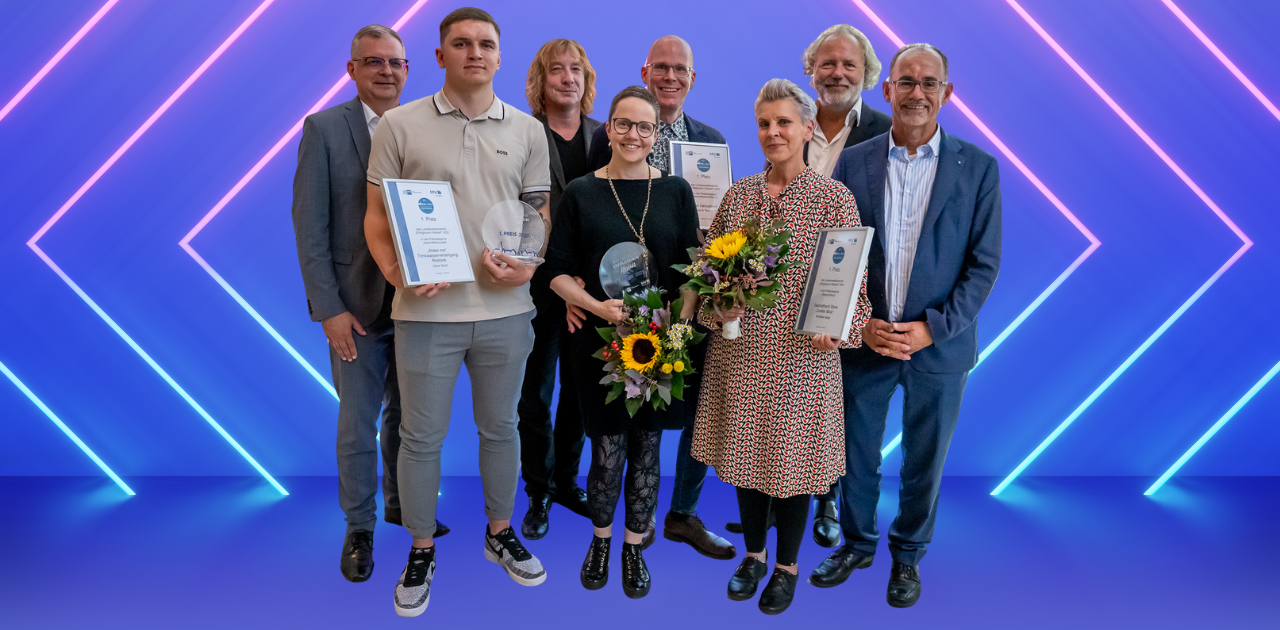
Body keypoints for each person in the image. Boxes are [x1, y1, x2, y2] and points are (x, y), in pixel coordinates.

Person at [363, 8, 552, 617]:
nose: (475, 52)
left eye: (486, 45)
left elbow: (537, 216)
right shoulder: (398, 124)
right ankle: (421, 549)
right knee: (420, 438)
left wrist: (529, 265)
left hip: (505, 311)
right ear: (440, 55)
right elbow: (375, 218)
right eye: (461, 44)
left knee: (501, 429)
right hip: (425, 315)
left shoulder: (526, 130)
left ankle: (500, 533)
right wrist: (397, 275)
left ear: (500, 58)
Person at [813, 43, 1001, 608]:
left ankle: (908, 556)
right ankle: (857, 544)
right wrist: (860, 322)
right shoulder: (855, 161)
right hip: (867, 343)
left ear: (947, 92)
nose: (917, 93)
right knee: (855, 452)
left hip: (937, 349)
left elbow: (983, 264)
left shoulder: (979, 167)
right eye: (906, 82)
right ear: (887, 90)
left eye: (929, 82)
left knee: (925, 458)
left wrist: (932, 329)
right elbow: (836, 253)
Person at [692, 78, 872, 615]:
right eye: (765, 124)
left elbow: (854, 285)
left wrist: (840, 325)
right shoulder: (739, 196)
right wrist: (715, 306)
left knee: (793, 469)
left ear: (807, 128)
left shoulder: (832, 199)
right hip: (741, 353)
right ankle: (751, 555)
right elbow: (706, 275)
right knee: (747, 463)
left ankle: (786, 566)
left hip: (803, 359)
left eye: (784, 122)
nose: (774, 132)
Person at [291, 24, 448, 586]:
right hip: (353, 309)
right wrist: (328, 309)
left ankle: (403, 506)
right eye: (373, 61)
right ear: (351, 69)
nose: (386, 71)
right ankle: (359, 527)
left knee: (410, 421)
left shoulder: (426, 127)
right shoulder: (324, 129)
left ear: (409, 70)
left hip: (417, 306)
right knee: (358, 424)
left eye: (396, 62)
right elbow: (310, 228)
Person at [581, 34, 735, 561]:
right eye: (661, 68)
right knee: (609, 441)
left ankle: (667, 520)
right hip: (609, 323)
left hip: (680, 315)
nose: (671, 77)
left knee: (667, 428)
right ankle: (612, 534)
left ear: (693, 79)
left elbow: (705, 240)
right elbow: (581, 238)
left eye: (681, 70)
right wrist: (579, 295)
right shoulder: (596, 165)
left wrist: (687, 319)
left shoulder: (710, 144)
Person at [546, 86, 702, 599]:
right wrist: (596, 307)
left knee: (649, 450)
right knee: (608, 450)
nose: (633, 134)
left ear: (656, 135)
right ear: (608, 128)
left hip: (664, 346)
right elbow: (556, 272)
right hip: (601, 345)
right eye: (623, 124)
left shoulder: (677, 191)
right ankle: (600, 540)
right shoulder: (582, 192)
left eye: (644, 126)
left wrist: (677, 334)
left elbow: (690, 275)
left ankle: (635, 547)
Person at [801, 22, 892, 548]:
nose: (837, 73)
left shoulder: (885, 130)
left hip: (857, 290)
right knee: (794, 401)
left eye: (848, 65)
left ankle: (828, 502)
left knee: (845, 410)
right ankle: (782, 498)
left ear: (866, 75)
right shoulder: (789, 122)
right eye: (827, 63)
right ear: (812, 69)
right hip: (789, 290)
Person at [515, 39, 602, 540]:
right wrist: (558, 283)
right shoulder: (522, 133)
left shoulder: (603, 135)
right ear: (540, 81)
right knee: (535, 394)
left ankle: (568, 481)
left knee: (580, 393)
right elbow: (514, 214)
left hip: (588, 289)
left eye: (577, 70)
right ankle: (538, 489)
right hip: (536, 290)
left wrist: (582, 287)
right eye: (557, 70)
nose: (568, 78)